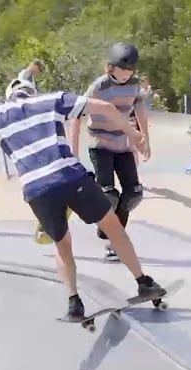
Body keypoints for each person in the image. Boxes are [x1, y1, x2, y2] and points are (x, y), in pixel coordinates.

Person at [0, 79, 167, 320]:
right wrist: (132, 133)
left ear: (9, 96)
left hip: (37, 189)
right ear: (32, 93)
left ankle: (74, 302)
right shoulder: (50, 100)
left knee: (62, 244)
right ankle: (143, 282)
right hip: (70, 177)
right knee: (112, 226)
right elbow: (106, 108)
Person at [71, 42, 151, 261]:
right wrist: (73, 151)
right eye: (122, 70)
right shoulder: (99, 86)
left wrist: (145, 139)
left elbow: (140, 111)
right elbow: (77, 115)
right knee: (109, 196)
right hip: (101, 144)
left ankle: (114, 235)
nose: (126, 75)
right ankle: (110, 235)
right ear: (110, 67)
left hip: (124, 144)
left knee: (133, 193)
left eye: (130, 71)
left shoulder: (135, 86)